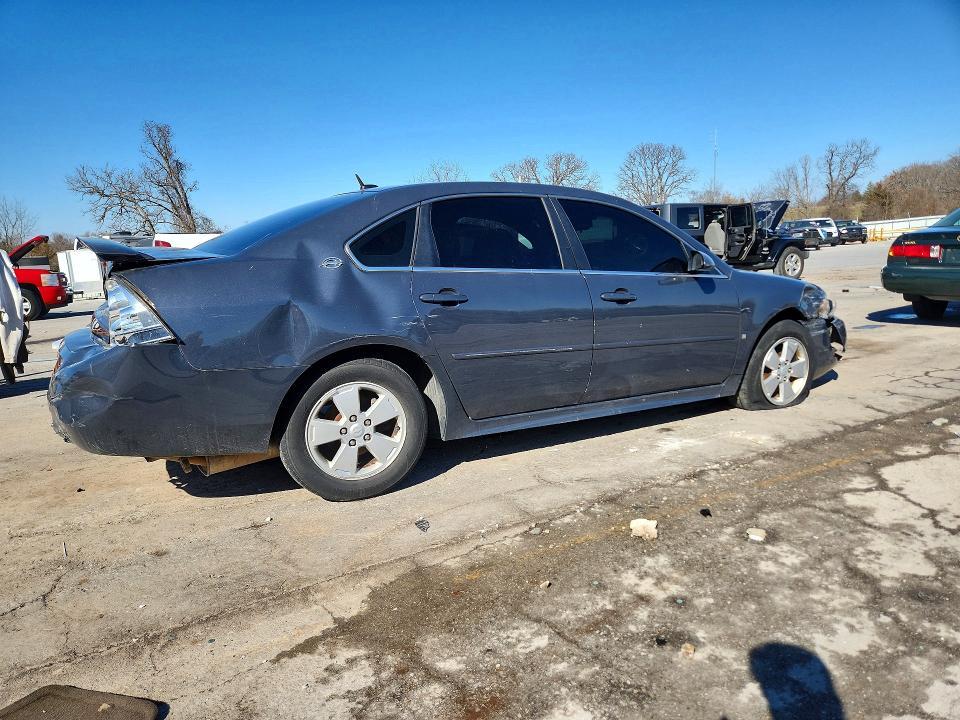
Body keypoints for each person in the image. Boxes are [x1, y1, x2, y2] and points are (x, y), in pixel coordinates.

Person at [0, 248, 27, 384]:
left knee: (10, 337)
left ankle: (14, 366)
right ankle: (13, 367)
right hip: (7, 309)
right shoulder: (3, 256)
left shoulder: (2, 256)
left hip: (7, 310)